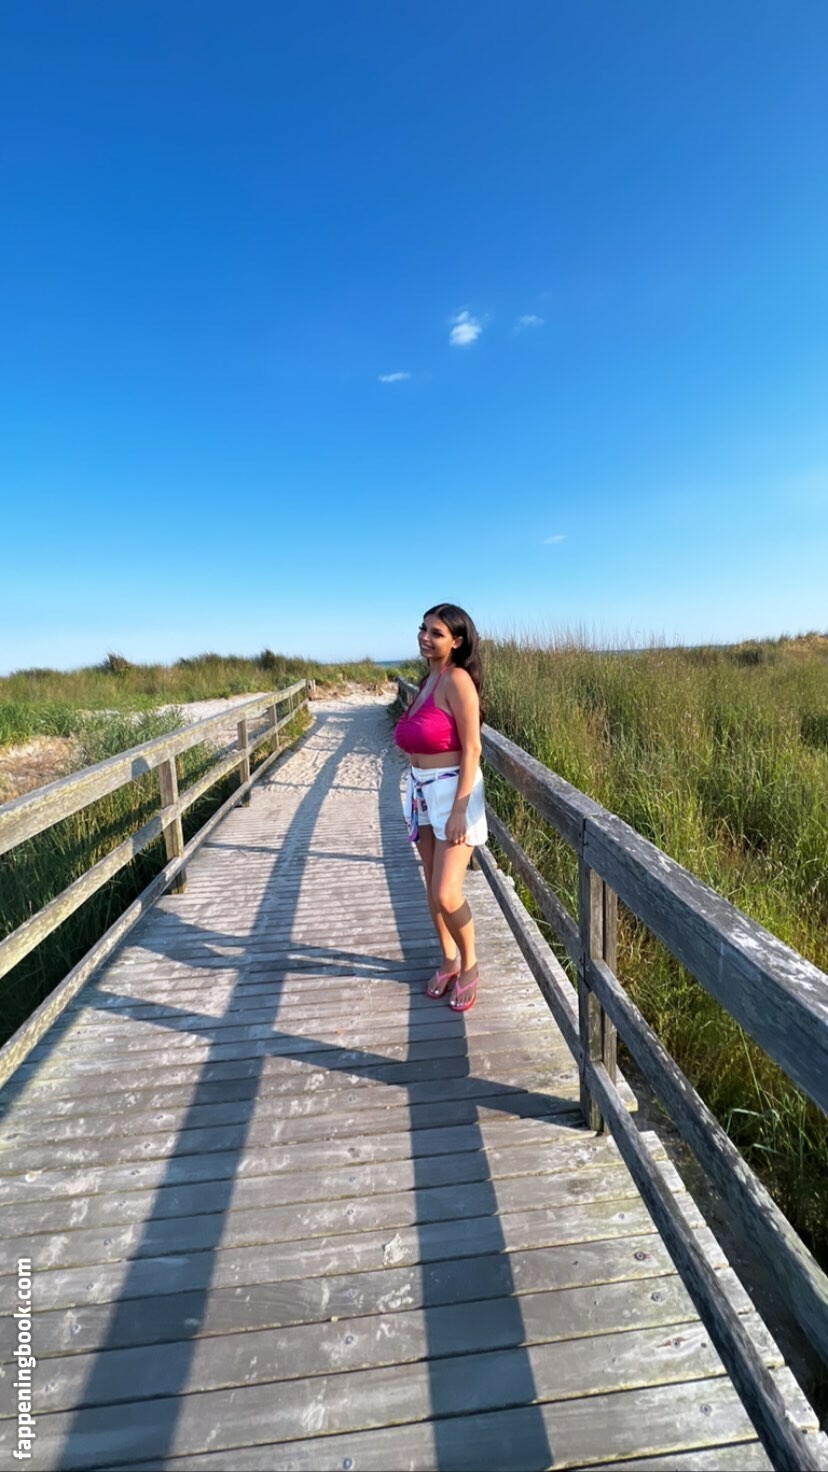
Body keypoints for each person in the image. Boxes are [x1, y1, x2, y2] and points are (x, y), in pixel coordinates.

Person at [394, 602, 487, 1012]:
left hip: (452, 793)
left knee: (447, 892)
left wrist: (460, 809)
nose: (425, 637)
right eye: (423, 629)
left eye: (436, 633)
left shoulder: (457, 680)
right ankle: (448, 960)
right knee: (431, 886)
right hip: (420, 791)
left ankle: (470, 964)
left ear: (457, 641)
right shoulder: (427, 681)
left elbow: (473, 749)